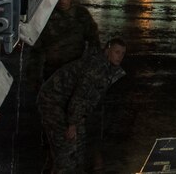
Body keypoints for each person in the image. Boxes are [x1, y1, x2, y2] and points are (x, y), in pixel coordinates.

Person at [38, 38, 127, 174]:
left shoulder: (106, 67)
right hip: (53, 102)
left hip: (67, 104)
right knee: (66, 149)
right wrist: (72, 124)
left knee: (78, 147)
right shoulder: (96, 68)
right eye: (117, 52)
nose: (120, 57)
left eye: (122, 53)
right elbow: (80, 97)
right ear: (107, 50)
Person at [29, 0, 101, 90]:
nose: (62, 0)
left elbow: (94, 40)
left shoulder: (81, 14)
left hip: (75, 69)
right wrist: (35, 78)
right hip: (52, 71)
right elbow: (36, 50)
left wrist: (91, 67)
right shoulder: (46, 16)